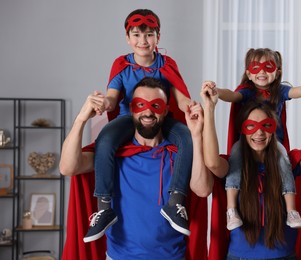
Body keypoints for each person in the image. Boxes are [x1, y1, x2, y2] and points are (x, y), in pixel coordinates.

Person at [59, 77, 213, 259]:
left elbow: (203, 190)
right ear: (131, 109)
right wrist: (81, 119)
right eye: (140, 105)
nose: (148, 112)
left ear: (166, 111)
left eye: (156, 106)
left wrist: (196, 136)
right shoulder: (112, 154)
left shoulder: (179, 154)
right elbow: (68, 168)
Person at [201, 76, 301, 259]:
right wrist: (210, 108)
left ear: (274, 128)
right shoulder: (233, 166)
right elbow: (212, 163)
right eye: (251, 126)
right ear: (242, 130)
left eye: (266, 126)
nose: (259, 132)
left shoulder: (289, 162)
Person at [88, 9, 195, 242]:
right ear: (128, 38)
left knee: (186, 137)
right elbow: (113, 99)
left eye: (149, 35)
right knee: (104, 141)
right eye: (136, 35)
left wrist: (193, 106)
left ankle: (175, 201)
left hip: (161, 118)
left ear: (158, 37)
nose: (142, 41)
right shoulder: (121, 64)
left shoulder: (167, 64)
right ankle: (104, 206)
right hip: (130, 119)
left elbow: (181, 98)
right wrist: (101, 103)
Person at [213, 48, 301, 230]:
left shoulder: (280, 92)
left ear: (277, 72)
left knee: (284, 162)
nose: (262, 72)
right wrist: (216, 91)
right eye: (256, 68)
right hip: (245, 144)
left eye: (268, 66)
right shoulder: (247, 92)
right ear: (248, 73)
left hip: (274, 144)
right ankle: (232, 209)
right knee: (235, 159)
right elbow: (232, 95)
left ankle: (291, 210)